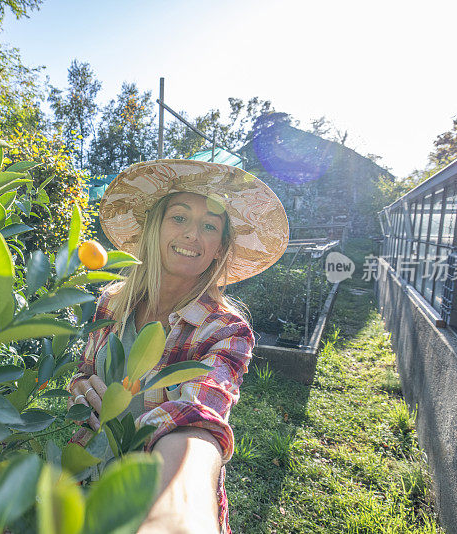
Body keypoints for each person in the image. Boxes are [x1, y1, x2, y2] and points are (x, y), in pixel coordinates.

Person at [68, 159, 289, 534]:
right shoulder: (112, 303)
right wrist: (81, 389)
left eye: (209, 226)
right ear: (155, 229)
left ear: (219, 249)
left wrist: (179, 513)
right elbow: (84, 374)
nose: (192, 235)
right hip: (83, 480)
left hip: (150, 496)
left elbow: (200, 417)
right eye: (179, 218)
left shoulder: (224, 331)